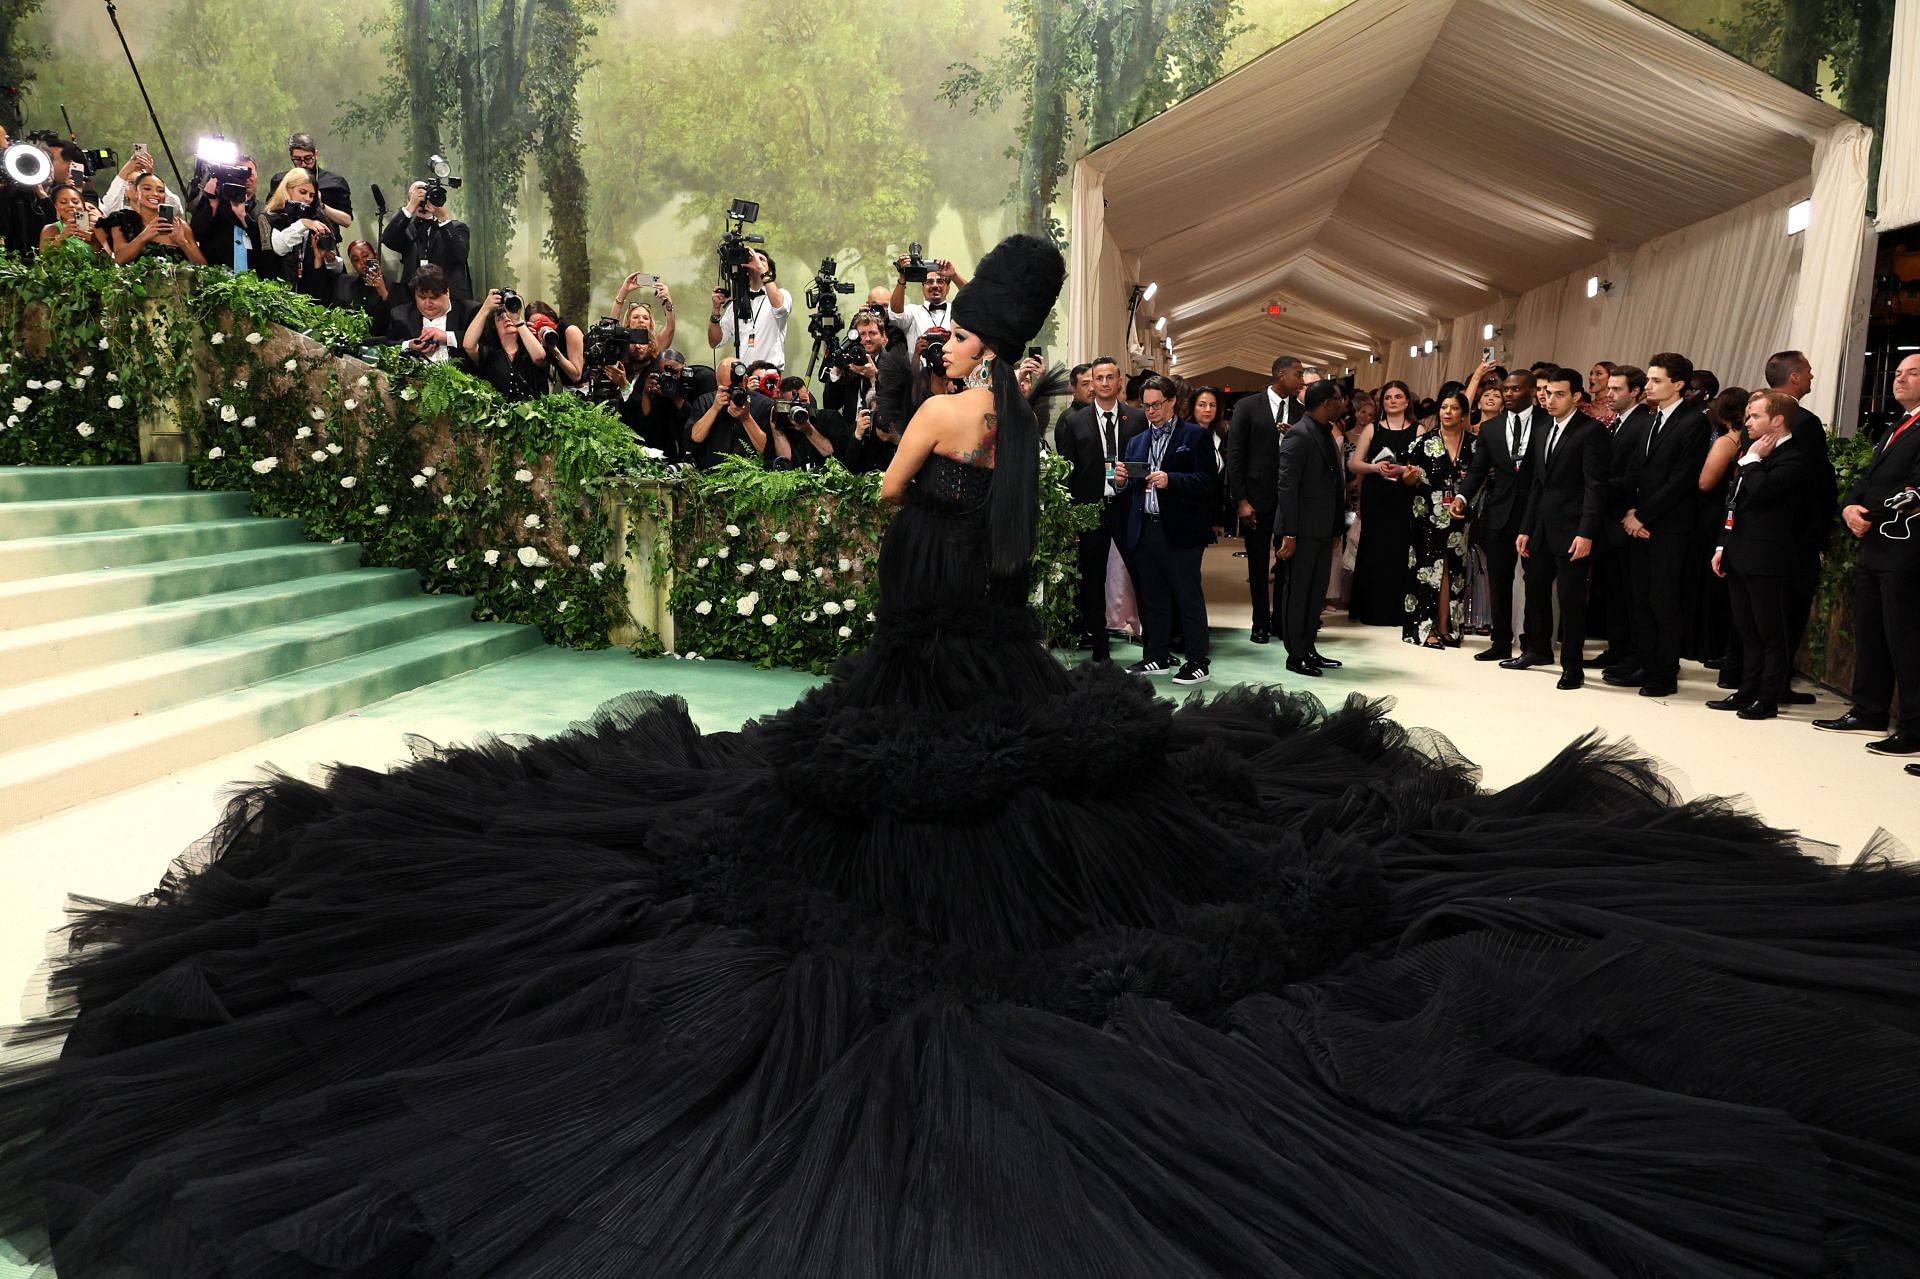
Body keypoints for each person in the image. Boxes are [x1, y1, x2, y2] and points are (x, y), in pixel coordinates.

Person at [11, 230, 1920, 1277]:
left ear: (965, 328)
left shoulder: (943, 402)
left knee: (884, 810)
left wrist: (891, 453)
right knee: (1013, 782)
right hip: (976, 628)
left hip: (918, 615)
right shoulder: (1014, 396)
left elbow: (892, 485)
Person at [1814, 351, 1920, 762]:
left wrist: (1870, 516)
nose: (1900, 380)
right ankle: (1870, 709)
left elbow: (1916, 489)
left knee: (1906, 639)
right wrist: (1849, 507)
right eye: (1898, 373)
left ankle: (1913, 726)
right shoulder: (1897, 424)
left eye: (1912, 373)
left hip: (1907, 549)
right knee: (1871, 632)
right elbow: (1869, 479)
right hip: (1875, 546)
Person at [1607, 352, 1711, 699]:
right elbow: (1639, 470)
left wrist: (1643, 515)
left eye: (1655, 380)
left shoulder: (1693, 422)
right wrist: (1632, 511)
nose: (1648, 385)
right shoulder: (1654, 419)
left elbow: (1682, 479)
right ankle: (1646, 662)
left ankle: (1664, 672)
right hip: (1643, 521)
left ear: (1678, 384)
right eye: (1648, 380)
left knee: (1663, 599)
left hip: (1670, 525)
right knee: (1640, 597)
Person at [1708, 391, 1817, 720]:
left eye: (1755, 416)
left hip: (1769, 558)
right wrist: (1721, 544)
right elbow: (1734, 503)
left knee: (1771, 632)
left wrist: (1752, 461)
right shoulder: (1751, 453)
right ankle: (1747, 690)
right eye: (1748, 415)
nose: (1747, 422)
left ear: (1778, 420)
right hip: (1739, 552)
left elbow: (1762, 492)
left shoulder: (1795, 459)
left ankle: (1768, 698)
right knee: (1746, 630)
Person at [1112, 375, 1216, 684]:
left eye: (1156, 405)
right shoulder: (1137, 441)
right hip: (1145, 527)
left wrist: (1173, 480)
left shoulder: (1195, 436)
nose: (1150, 411)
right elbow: (1131, 487)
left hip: (1181, 530)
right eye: (1145, 406)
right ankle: (1156, 656)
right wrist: (1120, 481)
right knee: (1152, 596)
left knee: (1187, 596)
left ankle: (1198, 661)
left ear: (1172, 402)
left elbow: (1208, 482)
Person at [1507, 369, 1607, 688]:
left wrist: (1587, 532)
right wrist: (1525, 528)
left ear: (1576, 397)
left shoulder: (1591, 431)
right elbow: (1537, 484)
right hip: (1541, 527)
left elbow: (1595, 486)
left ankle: (1573, 667)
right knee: (1535, 589)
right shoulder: (1542, 429)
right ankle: (1537, 650)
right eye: (1548, 393)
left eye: (1559, 394)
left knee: (1571, 598)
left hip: (1574, 528)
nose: (1550, 400)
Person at [1053, 355, 1145, 662]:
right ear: (1092, 383)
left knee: (1142, 574)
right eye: (1099, 378)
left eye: (1110, 377)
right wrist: (1069, 517)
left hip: (1129, 507)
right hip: (1091, 510)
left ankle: (1154, 645)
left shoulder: (1137, 418)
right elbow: (1067, 470)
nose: (1104, 383)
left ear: (1120, 382)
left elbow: (1147, 464)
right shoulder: (1073, 421)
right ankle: (1100, 648)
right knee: (1092, 579)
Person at [1762, 349, 1837, 706]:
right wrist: (1818, 532)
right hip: (1792, 538)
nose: (1811, 375)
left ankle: (1757, 682)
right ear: (1793, 377)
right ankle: (1772, 686)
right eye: (1807, 371)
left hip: (1767, 535)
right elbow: (1813, 485)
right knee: (1784, 613)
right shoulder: (1802, 421)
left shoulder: (1758, 412)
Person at [1457, 368, 1542, 660]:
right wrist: (1461, 496)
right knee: (1499, 580)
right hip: (1499, 513)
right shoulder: (1492, 429)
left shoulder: (1548, 423)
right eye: (1506, 389)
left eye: (1516, 389)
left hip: (1536, 513)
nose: (1508, 394)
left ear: (1532, 391)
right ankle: (1500, 642)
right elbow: (1478, 470)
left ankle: (1534, 645)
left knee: (1536, 581)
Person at [1224, 356, 1306, 643]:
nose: (1302, 379)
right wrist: (1241, 500)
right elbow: (1235, 457)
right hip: (1256, 498)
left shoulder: (1300, 410)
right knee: (1257, 564)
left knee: (1286, 562)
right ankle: (1259, 622)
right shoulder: (1248, 406)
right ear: (1280, 375)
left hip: (1288, 498)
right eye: (1298, 374)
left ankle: (1280, 621)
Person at [1273, 380, 1347, 678]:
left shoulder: (1325, 431)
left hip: (1321, 527)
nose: (1344, 403)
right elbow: (1287, 488)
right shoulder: (1299, 436)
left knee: (1315, 593)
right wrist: (1289, 532)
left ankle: (1309, 647)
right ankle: (1295, 654)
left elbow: (1333, 484)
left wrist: (1336, 526)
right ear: (1327, 403)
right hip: (1299, 530)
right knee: (1298, 592)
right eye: (1340, 398)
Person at [1590, 365, 1652, 669]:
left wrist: (1595, 487)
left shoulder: (1642, 424)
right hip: (1609, 517)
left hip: (1626, 517)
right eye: (1608, 388)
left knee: (1628, 591)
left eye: (1616, 389)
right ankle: (1618, 648)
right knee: (1613, 589)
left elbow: (1635, 473)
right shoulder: (1617, 423)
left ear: (1635, 392)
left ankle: (1631, 652)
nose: (1608, 393)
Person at [1403, 390, 1475, 649]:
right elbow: (1408, 478)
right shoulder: (1425, 441)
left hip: (1459, 518)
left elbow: (1481, 480)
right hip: (1427, 515)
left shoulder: (1475, 444)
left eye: (1454, 408)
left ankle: (1447, 626)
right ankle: (1427, 628)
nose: (1447, 412)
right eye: (1443, 407)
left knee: (1452, 569)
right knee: (1430, 571)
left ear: (1464, 414)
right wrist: (1409, 476)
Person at [382, 180, 473, 299]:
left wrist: (442, 217)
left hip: (450, 299)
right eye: (418, 198)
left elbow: (459, 255)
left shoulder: (456, 228)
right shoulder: (406, 230)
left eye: (427, 197)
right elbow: (388, 239)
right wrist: (410, 206)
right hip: (414, 298)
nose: (423, 203)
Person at [264, 168, 344, 300]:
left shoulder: (319, 219)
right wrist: (303, 223)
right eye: (303, 192)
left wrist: (330, 259)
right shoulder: (272, 216)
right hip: (280, 294)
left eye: (312, 195)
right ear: (287, 188)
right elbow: (278, 248)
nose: (307, 199)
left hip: (314, 292)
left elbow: (336, 268)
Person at [462, 288, 550, 402]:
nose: (506, 319)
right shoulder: (489, 355)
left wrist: (517, 319)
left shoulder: (529, 348)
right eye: (500, 318)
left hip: (534, 415)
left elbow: (539, 357)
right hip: (498, 417)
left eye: (509, 316)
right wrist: (485, 308)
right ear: (494, 326)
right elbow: (468, 345)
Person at [100, 172, 207, 266]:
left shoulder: (179, 225)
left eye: (160, 191)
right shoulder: (122, 221)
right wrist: (145, 236)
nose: (155, 194)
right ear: (136, 193)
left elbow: (203, 266)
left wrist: (182, 242)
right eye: (147, 189)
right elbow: (120, 259)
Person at [707, 248, 790, 368]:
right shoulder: (736, 304)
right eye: (753, 259)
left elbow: (780, 309)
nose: (756, 262)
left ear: (770, 272)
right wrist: (716, 309)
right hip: (744, 375)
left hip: (770, 374)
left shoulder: (782, 295)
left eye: (762, 260)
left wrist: (762, 271)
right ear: (746, 271)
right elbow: (715, 342)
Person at [386, 264, 477, 364]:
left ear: (447, 292)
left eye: (433, 298)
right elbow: (387, 346)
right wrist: (409, 345)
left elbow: (485, 346)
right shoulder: (400, 316)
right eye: (422, 297)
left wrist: (447, 337)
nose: (428, 304)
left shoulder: (469, 312)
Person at [186, 155, 262, 273]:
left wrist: (243, 218)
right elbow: (196, 234)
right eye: (240, 173)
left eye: (250, 173)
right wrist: (212, 203)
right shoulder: (214, 205)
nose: (247, 179)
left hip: (255, 281)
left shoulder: (264, 210)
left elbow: (265, 245)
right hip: (217, 279)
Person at [266, 132, 353, 224]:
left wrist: (320, 205)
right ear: (291, 156)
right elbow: (270, 212)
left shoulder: (334, 182)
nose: (303, 164)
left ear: (315, 154)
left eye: (308, 158)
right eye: (297, 159)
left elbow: (346, 221)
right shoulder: (280, 180)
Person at [888, 255, 967, 352]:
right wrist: (902, 277)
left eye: (940, 281)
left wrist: (954, 275)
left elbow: (974, 299)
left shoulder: (957, 311)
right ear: (922, 288)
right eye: (929, 282)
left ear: (948, 288)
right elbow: (896, 314)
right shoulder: (913, 312)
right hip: (919, 366)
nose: (934, 285)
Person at [35, 183, 103, 255]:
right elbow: (43, 260)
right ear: (55, 206)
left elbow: (108, 259)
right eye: (63, 202)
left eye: (75, 202)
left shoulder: (96, 228)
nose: (71, 205)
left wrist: (95, 242)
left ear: (83, 206)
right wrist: (62, 237)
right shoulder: (50, 229)